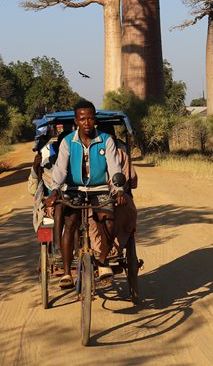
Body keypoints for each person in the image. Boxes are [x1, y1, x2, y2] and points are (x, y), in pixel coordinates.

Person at [47, 100, 126, 288]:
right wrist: (55, 189)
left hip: (99, 189)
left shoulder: (106, 140)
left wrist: (118, 189)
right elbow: (60, 169)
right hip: (74, 190)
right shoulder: (67, 142)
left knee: (109, 220)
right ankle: (67, 273)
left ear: (95, 120)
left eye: (90, 118)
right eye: (82, 119)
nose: (87, 123)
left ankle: (103, 261)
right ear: (76, 121)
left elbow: (114, 167)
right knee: (70, 222)